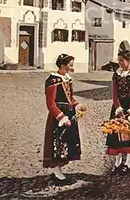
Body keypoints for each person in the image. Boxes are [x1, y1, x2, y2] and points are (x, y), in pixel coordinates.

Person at [43, 54, 84, 183]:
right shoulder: (53, 81)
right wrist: (61, 117)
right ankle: (56, 171)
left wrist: (77, 105)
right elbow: (51, 104)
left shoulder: (67, 79)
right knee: (59, 143)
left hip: (69, 114)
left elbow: (70, 98)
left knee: (67, 142)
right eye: (70, 64)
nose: (72, 67)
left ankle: (59, 170)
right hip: (59, 117)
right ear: (62, 65)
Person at [106, 49, 130, 174]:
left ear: (129, 61)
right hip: (118, 108)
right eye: (119, 60)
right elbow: (114, 92)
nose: (120, 63)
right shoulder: (116, 74)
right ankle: (117, 163)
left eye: (122, 61)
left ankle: (127, 163)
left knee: (129, 136)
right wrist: (117, 107)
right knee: (117, 134)